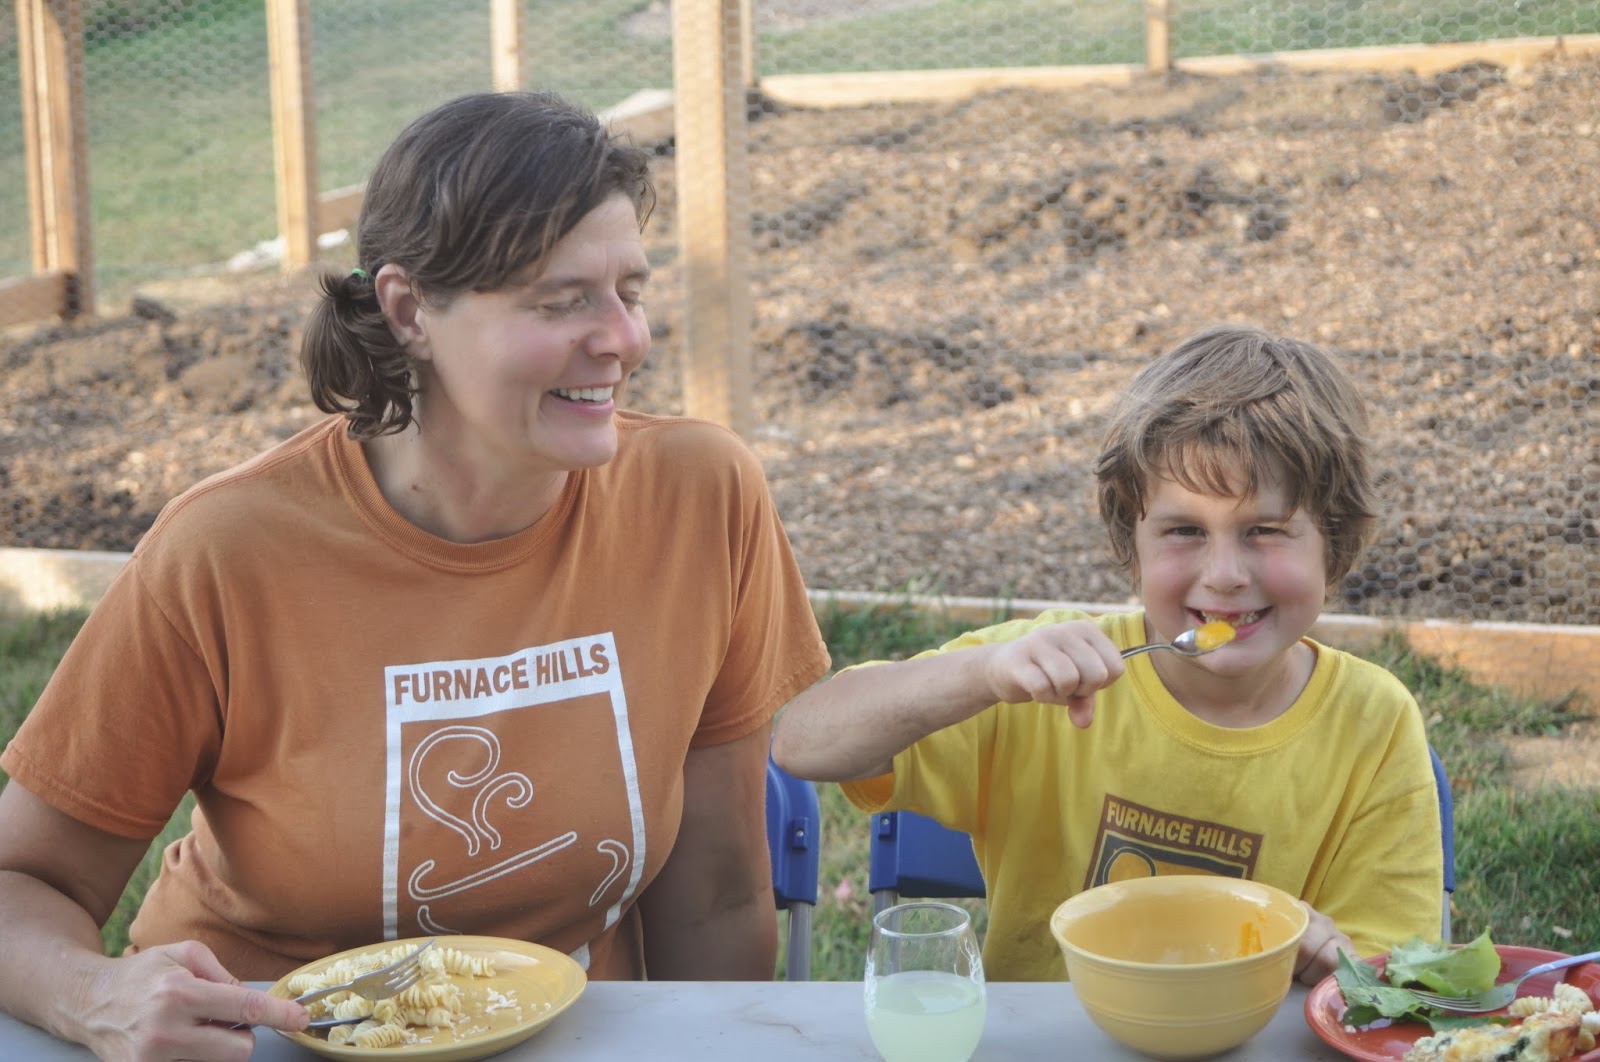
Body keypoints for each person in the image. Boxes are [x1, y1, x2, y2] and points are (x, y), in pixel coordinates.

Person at [0, 90, 830, 1060]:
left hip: (559, 1039)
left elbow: (719, 892)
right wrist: (93, 996)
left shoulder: (698, 494)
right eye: (562, 301)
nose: (625, 339)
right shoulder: (227, 550)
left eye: (631, 292)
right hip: (260, 1041)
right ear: (407, 310)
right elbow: (23, 883)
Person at [772, 324, 1442, 985]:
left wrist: (1329, 962)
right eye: (1184, 530)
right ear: (1134, 539)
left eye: (1265, 531)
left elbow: (1390, 989)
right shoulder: (1037, 675)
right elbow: (803, 743)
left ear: (1335, 543)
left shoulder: (1372, 725)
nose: (1227, 573)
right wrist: (981, 674)